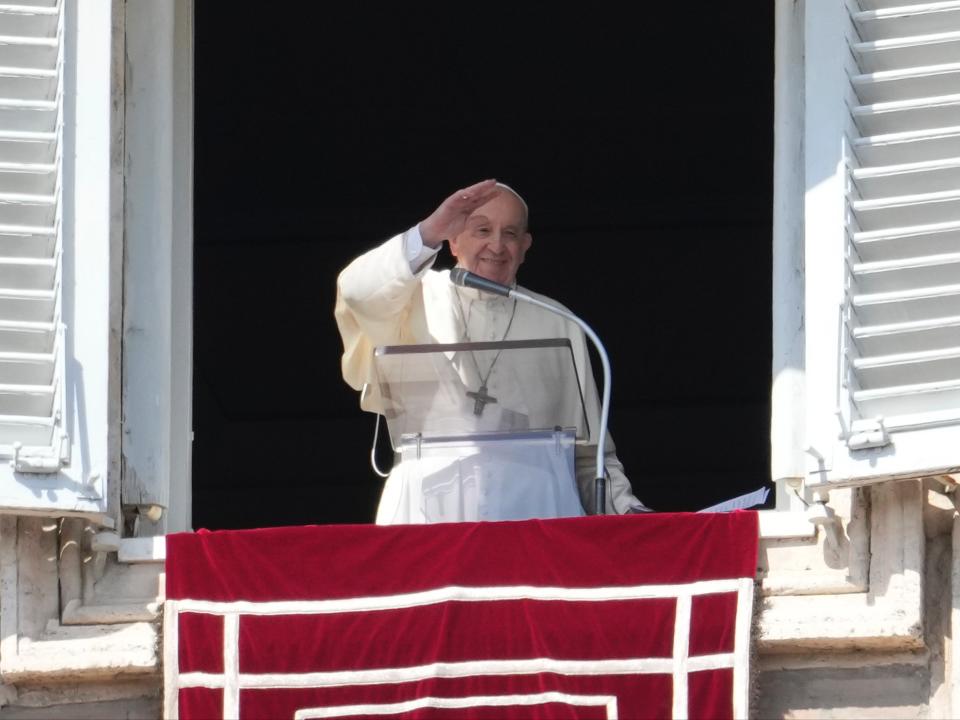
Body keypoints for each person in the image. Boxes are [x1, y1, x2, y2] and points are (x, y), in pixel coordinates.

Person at [335, 178, 650, 524]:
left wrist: (626, 509)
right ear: (452, 239)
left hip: (537, 510)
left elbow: (588, 457)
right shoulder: (411, 298)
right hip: (428, 506)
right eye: (481, 230)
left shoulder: (558, 321)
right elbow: (356, 292)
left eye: (510, 234)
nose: (496, 246)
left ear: (526, 245)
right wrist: (428, 232)